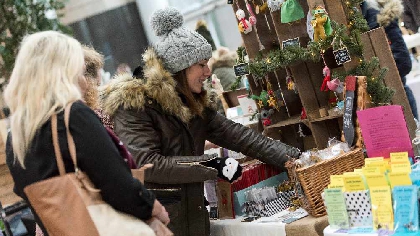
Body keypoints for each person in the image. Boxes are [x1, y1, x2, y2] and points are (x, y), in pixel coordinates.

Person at [101, 7, 301, 236]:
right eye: (201, 64)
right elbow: (148, 163)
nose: (208, 72)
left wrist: (295, 157)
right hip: (161, 223)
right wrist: (211, 165)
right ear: (180, 69)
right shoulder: (133, 105)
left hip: (194, 217)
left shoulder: (192, 102)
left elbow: (240, 137)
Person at [4, 31, 169, 235]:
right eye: (79, 73)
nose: (84, 82)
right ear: (62, 73)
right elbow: (117, 184)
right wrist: (153, 207)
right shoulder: (73, 116)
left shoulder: (16, 138)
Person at [362, 0, 418, 119]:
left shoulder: (378, 16)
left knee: (412, 134)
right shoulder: (365, 14)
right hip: (384, 97)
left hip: (396, 94)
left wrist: (381, 77)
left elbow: (404, 62)